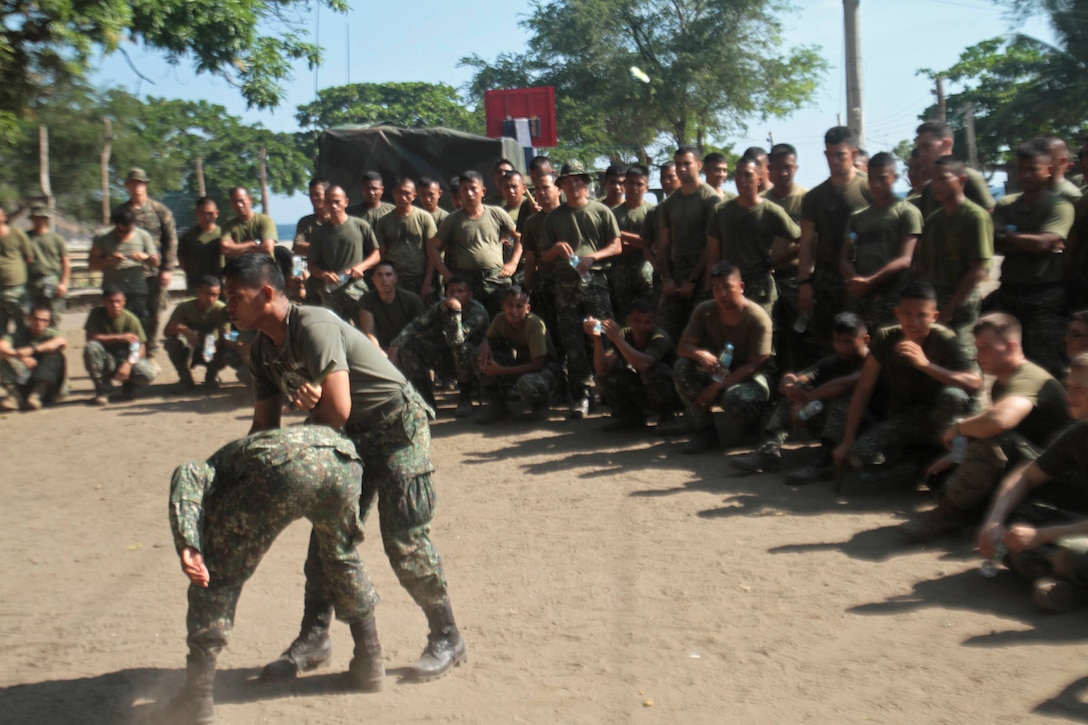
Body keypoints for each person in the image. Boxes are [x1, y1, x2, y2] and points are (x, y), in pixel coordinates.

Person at [222, 253, 465, 683]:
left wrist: (302, 440)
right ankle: (314, 639)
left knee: (404, 539)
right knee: (327, 538)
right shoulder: (262, 351)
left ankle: (447, 636)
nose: (227, 305)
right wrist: (236, 474)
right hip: (347, 436)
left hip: (395, 428)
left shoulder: (313, 326)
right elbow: (263, 426)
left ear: (264, 294)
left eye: (233, 297)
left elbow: (335, 409)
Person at [165, 426, 383, 724]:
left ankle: (198, 694)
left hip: (282, 470)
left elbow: (187, 477)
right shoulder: (245, 451)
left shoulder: (206, 471)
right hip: (343, 459)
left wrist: (189, 543)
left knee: (218, 577)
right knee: (341, 556)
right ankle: (370, 661)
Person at [900, 313, 1071, 541]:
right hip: (1029, 466)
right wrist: (956, 456)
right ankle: (972, 512)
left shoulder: (1028, 378)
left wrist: (959, 428)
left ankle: (948, 514)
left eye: (985, 348)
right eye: (977, 348)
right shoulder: (1001, 384)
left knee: (992, 445)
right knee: (946, 474)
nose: (979, 356)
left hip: (1058, 475)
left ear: (1010, 346)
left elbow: (999, 421)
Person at [833, 281, 980, 483]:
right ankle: (915, 465)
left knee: (953, 395)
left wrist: (925, 364)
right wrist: (847, 442)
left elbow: (974, 382)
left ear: (934, 317)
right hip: (909, 418)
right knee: (860, 456)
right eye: (907, 314)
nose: (913, 322)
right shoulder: (886, 338)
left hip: (944, 421)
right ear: (897, 313)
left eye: (921, 315)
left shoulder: (944, 339)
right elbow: (863, 389)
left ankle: (944, 460)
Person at [977, 352, 1088, 613]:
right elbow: (1026, 475)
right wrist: (995, 520)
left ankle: (1062, 578)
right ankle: (1062, 583)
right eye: (1069, 386)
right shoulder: (1079, 433)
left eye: (1080, 389)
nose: (1069, 396)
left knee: (1072, 555)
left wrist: (1042, 536)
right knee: (1013, 525)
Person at [731, 312, 877, 484]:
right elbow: (803, 375)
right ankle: (768, 450)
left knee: (843, 400)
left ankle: (825, 461)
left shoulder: (874, 362)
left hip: (868, 427)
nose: (842, 347)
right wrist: (790, 385)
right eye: (837, 341)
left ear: (865, 340)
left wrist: (807, 399)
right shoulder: (834, 361)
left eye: (848, 342)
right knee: (793, 397)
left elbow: (844, 384)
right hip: (840, 426)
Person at [539, 160, 623, 419]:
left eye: (578, 180)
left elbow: (616, 245)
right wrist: (556, 249)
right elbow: (544, 256)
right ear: (561, 185)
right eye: (568, 181)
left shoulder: (601, 211)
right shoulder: (554, 217)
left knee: (603, 335)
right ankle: (582, 395)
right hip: (565, 284)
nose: (573, 185)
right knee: (572, 339)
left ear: (586, 183)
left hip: (596, 281)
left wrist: (594, 257)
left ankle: (610, 390)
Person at [988, 140, 1075, 376]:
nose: (1025, 175)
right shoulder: (1006, 204)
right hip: (1010, 293)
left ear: (1048, 170)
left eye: (1032, 169)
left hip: (1044, 297)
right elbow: (994, 243)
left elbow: (1045, 243)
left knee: (1048, 367)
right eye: (1021, 169)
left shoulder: (1060, 205)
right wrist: (1030, 242)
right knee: (1010, 363)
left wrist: (1010, 236)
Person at [671, 262, 775, 454]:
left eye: (727, 287)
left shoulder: (757, 317)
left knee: (736, 399)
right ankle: (705, 432)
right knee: (683, 367)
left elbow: (756, 364)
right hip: (721, 369)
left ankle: (755, 426)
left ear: (741, 287)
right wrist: (701, 354)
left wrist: (716, 387)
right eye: (716, 289)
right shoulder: (705, 310)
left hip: (752, 376)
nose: (722, 294)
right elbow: (683, 347)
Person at [797, 126, 872, 363]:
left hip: (861, 280)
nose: (834, 160)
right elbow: (807, 243)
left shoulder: (869, 189)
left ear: (853, 153)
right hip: (826, 281)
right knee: (828, 343)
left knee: (862, 341)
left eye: (840, 154)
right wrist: (804, 282)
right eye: (829, 154)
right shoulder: (814, 197)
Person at [912, 156, 994, 359]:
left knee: (962, 356)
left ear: (962, 180)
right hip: (933, 301)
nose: (936, 185)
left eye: (943, 178)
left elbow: (979, 269)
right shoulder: (933, 220)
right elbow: (924, 266)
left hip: (961, 302)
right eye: (933, 179)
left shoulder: (975, 217)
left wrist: (950, 308)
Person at [706, 153, 801, 317]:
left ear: (760, 178)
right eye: (738, 175)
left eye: (748, 175)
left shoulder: (771, 211)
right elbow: (714, 254)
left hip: (760, 289)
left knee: (761, 337)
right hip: (728, 287)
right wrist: (709, 289)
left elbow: (804, 240)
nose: (742, 180)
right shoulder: (721, 211)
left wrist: (777, 261)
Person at [839, 152, 923, 330]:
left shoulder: (907, 213)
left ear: (894, 178)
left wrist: (870, 281)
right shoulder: (858, 218)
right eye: (872, 179)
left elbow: (905, 259)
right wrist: (855, 280)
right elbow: (846, 256)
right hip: (861, 298)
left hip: (893, 297)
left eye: (882, 179)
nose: (876, 185)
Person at [388, 275, 489, 417]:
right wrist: (395, 345)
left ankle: (465, 398)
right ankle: (426, 399)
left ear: (470, 294)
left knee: (461, 348)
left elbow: (456, 340)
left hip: (472, 364)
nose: (455, 295)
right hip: (445, 357)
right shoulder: (441, 306)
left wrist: (455, 312)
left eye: (460, 291)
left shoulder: (478, 313)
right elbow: (417, 324)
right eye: (452, 291)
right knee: (410, 345)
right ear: (446, 293)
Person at [426, 170, 519, 314]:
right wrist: (446, 274)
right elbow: (433, 246)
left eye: (473, 189)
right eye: (464, 189)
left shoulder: (496, 213)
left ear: (483, 191)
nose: (469, 194)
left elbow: (520, 237)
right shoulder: (452, 219)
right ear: (460, 193)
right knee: (470, 323)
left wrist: (513, 263)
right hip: (467, 282)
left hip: (496, 279)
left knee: (501, 318)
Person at [656, 146, 722, 344]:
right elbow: (664, 243)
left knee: (700, 334)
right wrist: (667, 278)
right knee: (663, 333)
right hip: (675, 277)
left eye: (687, 163)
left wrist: (693, 279)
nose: (682, 168)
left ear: (699, 165)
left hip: (702, 277)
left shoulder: (711, 199)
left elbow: (712, 245)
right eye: (678, 164)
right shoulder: (669, 203)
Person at [585, 298, 677, 431]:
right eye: (637, 321)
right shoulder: (624, 334)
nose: (642, 327)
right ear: (628, 321)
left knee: (653, 371)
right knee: (604, 378)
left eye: (647, 322)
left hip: (671, 392)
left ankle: (667, 416)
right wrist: (597, 339)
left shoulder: (660, 337)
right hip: (646, 389)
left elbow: (644, 364)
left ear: (655, 322)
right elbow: (603, 370)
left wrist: (617, 339)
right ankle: (631, 418)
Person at [114, 168, 177, 356]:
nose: (136, 186)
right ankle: (134, 350)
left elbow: (171, 240)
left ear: (145, 185)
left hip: (153, 272)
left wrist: (167, 269)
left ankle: (150, 350)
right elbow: (112, 238)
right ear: (127, 186)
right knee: (132, 313)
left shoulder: (159, 211)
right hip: (128, 273)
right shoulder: (120, 212)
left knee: (155, 313)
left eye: (139, 182)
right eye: (132, 183)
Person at [475, 285, 561, 423]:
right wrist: (485, 345)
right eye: (510, 305)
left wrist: (501, 370)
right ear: (503, 305)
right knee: (479, 356)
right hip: (521, 364)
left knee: (527, 383)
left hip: (544, 369)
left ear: (527, 308)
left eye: (519, 306)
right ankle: (498, 405)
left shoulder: (534, 325)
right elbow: (489, 337)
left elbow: (537, 364)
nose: (514, 310)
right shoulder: (500, 320)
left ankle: (541, 405)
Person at [764, 143, 809, 372]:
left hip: (795, 277)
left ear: (796, 167)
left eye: (788, 167)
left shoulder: (807, 199)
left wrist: (776, 262)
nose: (783, 173)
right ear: (768, 170)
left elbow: (807, 242)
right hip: (765, 279)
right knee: (769, 334)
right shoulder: (761, 200)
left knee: (797, 333)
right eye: (778, 168)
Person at [308, 185, 381, 323]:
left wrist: (361, 267)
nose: (333, 206)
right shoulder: (319, 232)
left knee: (364, 331)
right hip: (331, 292)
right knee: (335, 332)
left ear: (346, 202)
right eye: (329, 202)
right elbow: (312, 265)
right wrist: (324, 274)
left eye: (337, 201)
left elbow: (376, 254)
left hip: (357, 289)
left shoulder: (360, 226)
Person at [83, 286, 159, 405]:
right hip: (106, 359)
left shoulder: (131, 320)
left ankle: (129, 386)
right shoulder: (96, 314)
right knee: (91, 348)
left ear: (124, 302)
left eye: (118, 301)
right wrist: (118, 337)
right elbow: (90, 338)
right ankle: (103, 391)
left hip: (125, 359)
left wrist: (128, 364)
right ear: (104, 302)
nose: (115, 305)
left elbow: (140, 348)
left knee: (148, 373)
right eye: (111, 301)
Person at [88, 207, 158, 333]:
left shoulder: (143, 236)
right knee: (112, 327)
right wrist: (109, 261)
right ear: (115, 225)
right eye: (121, 231)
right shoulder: (102, 237)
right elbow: (92, 264)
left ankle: (139, 352)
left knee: (138, 327)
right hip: (112, 291)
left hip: (137, 290)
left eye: (128, 231)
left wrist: (145, 257)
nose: (124, 234)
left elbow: (156, 262)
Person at [163, 275, 237, 391]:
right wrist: (184, 330)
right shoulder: (185, 306)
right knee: (172, 343)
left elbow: (226, 335)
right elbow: (167, 331)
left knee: (228, 350)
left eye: (215, 295)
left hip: (212, 347)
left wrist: (227, 343)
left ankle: (211, 376)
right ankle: (185, 379)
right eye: (207, 294)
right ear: (198, 292)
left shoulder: (221, 309)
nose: (211, 299)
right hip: (191, 345)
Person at [910, 120, 995, 217]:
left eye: (926, 146)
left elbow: (990, 218)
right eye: (920, 148)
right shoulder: (928, 188)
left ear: (947, 144)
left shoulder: (969, 178)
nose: (922, 154)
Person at [608, 164, 656, 322]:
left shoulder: (653, 212)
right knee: (624, 317)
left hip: (646, 271)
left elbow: (652, 243)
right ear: (624, 185)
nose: (634, 187)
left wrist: (622, 236)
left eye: (639, 184)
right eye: (630, 183)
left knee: (649, 314)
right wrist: (641, 243)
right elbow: (610, 245)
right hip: (620, 274)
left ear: (646, 187)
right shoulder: (613, 214)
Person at [376, 177, 438, 297]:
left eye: (407, 193)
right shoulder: (383, 221)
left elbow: (432, 252)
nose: (403, 197)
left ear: (414, 196)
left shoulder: (424, 218)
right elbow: (381, 254)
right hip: (393, 279)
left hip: (418, 278)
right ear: (394, 193)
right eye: (399, 192)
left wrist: (427, 282)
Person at [0, 304, 67, 411]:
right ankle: (15, 397)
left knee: (55, 355)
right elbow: (2, 347)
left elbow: (61, 342)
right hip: (25, 379)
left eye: (44, 320)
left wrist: (33, 349)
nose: (40, 323)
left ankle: (37, 395)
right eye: (37, 319)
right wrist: (19, 356)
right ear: (29, 318)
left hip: (49, 385)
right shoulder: (19, 335)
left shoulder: (51, 334)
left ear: (49, 322)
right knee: (2, 358)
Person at [358, 260, 426, 352]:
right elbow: (369, 332)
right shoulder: (367, 300)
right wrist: (382, 356)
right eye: (379, 275)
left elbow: (422, 331)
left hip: (408, 346)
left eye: (388, 275)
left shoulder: (411, 300)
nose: (384, 279)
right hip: (381, 348)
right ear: (373, 279)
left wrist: (397, 348)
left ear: (395, 278)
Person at [26, 205, 69, 326]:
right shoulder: (26, 238)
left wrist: (63, 283)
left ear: (47, 219)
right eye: (36, 218)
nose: (39, 221)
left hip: (51, 279)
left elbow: (65, 262)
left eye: (42, 218)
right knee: (31, 314)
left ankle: (53, 339)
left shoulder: (56, 239)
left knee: (53, 314)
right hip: (31, 281)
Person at [176, 197, 224, 295]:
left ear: (216, 214)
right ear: (196, 213)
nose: (207, 217)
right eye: (203, 213)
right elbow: (182, 260)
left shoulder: (224, 234)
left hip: (219, 284)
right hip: (196, 284)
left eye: (210, 213)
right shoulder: (188, 236)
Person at [0, 206, 33, 336]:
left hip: (17, 287)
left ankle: (24, 352)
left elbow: (29, 257)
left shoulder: (17, 233)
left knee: (23, 323)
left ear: (4, 217)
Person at [220, 186, 277, 259]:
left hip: (264, 267)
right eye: (235, 202)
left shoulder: (265, 220)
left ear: (250, 200)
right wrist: (253, 244)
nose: (239, 205)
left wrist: (236, 250)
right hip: (239, 269)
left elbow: (267, 247)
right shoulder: (228, 225)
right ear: (231, 204)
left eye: (242, 201)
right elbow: (225, 249)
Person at [291, 179, 331, 258]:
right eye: (311, 195)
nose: (314, 198)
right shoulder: (305, 222)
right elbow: (297, 247)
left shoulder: (339, 220)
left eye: (317, 194)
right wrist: (326, 248)